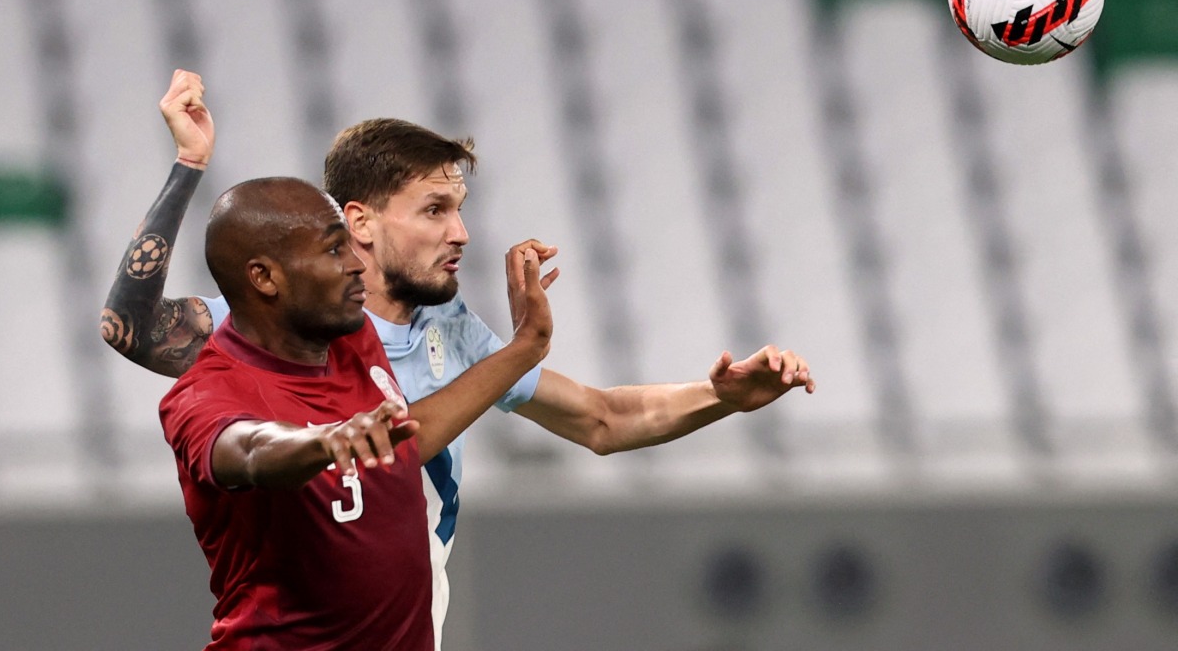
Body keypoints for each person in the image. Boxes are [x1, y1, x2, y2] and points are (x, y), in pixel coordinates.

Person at [102, 69, 814, 646]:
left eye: (460, 207)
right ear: (360, 223)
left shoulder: (442, 329)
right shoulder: (271, 329)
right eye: (436, 209)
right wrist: (189, 165)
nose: (462, 232)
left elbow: (600, 420)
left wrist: (721, 396)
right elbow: (133, 332)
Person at [160, 176, 540, 649]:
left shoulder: (351, 338)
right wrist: (324, 440)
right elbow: (251, 450)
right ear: (264, 277)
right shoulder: (206, 393)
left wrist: (525, 349)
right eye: (334, 250)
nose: (357, 264)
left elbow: (404, 443)